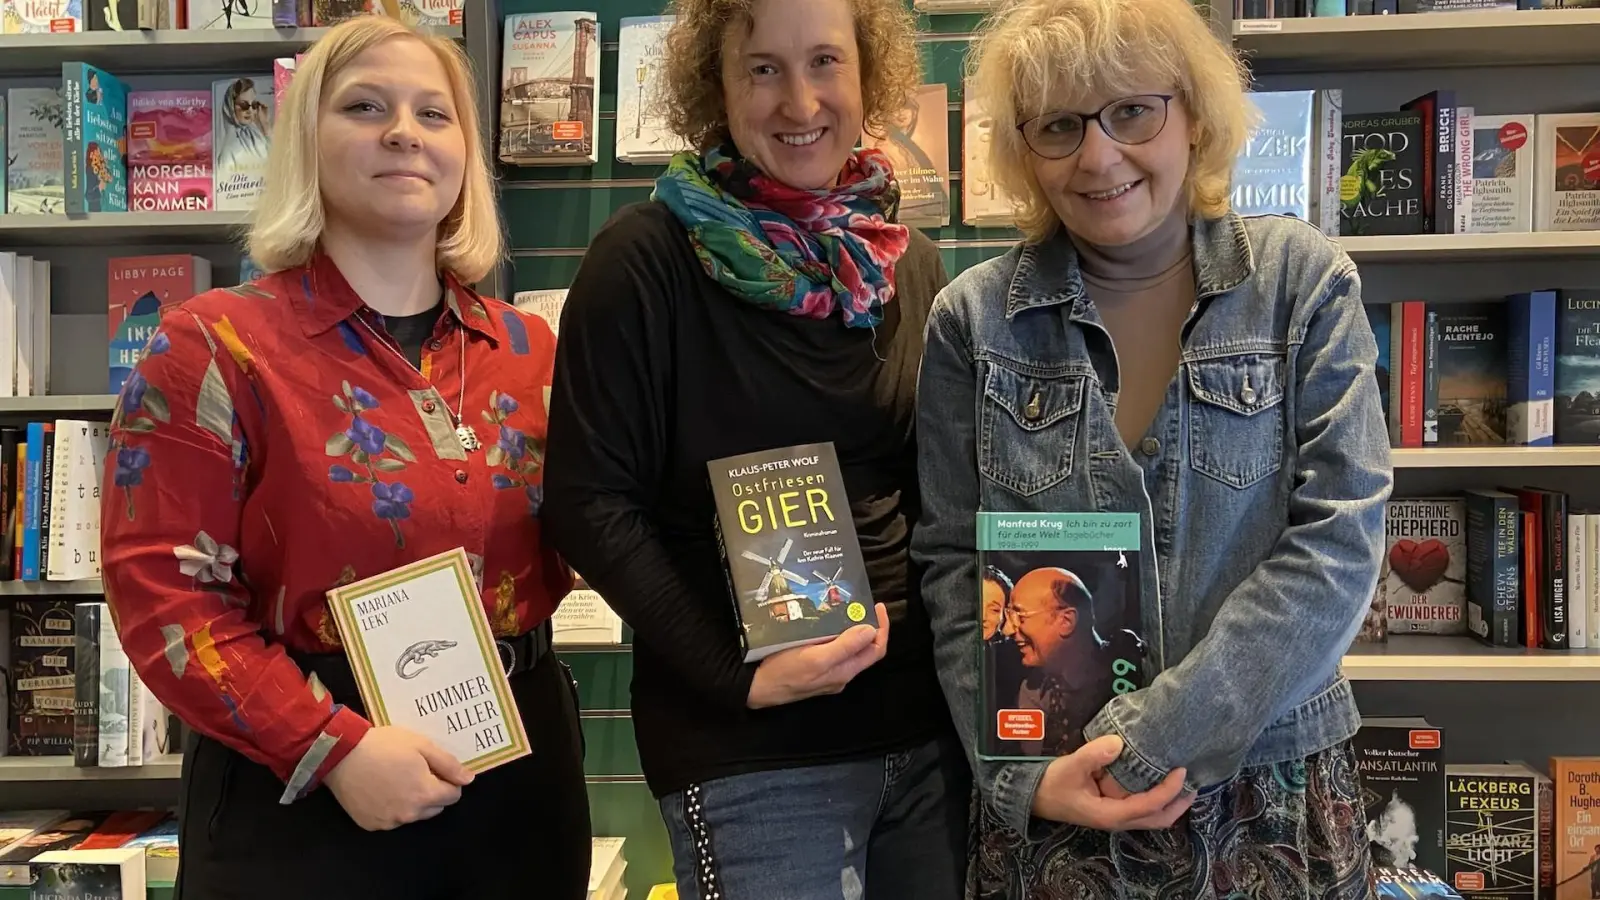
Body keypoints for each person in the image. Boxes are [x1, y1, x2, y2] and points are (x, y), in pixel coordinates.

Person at [98, 16, 590, 900]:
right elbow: (162, 597)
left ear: (465, 160)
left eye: (433, 115)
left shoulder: (530, 350)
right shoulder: (211, 347)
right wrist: (333, 749)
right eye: (365, 107)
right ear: (306, 146)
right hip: (306, 792)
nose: (403, 131)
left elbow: (601, 530)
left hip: (519, 771)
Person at [911, 0, 1393, 896]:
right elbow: (950, 565)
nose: (1098, 157)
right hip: (1061, 795)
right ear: (1025, 148)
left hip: (1270, 787)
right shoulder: (970, 323)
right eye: (1059, 125)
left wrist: (1153, 735)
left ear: (1194, 114)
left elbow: (1339, 544)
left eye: (1132, 111)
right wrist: (1023, 778)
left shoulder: (1302, 286)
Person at [540, 0, 969, 896]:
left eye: (824, 62)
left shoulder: (908, 263)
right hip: (748, 755)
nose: (799, 100)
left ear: (868, 76)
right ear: (717, 87)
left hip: (923, 742)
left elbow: (935, 498)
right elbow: (588, 504)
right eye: (763, 68)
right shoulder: (642, 265)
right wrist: (735, 679)